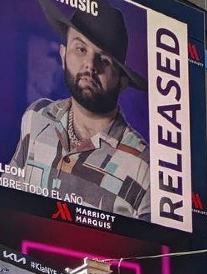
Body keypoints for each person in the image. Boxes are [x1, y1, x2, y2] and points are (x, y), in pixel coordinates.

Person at [11, 0, 150, 219]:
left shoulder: (144, 166)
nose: (90, 65)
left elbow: (152, 242)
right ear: (63, 55)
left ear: (122, 81)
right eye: (81, 49)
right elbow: (3, 204)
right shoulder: (36, 117)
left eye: (104, 59)